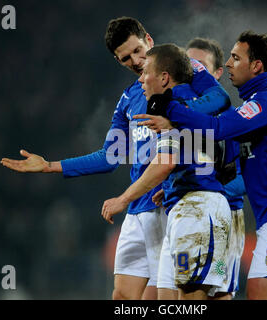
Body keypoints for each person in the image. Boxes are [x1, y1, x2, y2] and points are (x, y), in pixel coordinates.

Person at [0, 17, 230, 300]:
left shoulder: (185, 72)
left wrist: (178, 112)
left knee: (168, 298)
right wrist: (51, 166)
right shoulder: (129, 98)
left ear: (148, 39)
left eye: (137, 50)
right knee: (122, 297)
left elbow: (220, 98)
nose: (135, 60)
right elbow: (110, 156)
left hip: (169, 201)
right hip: (136, 207)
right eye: (125, 58)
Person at [134, 31, 267, 300]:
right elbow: (225, 154)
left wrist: (169, 111)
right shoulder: (253, 105)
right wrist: (189, 180)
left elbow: (217, 128)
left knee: (256, 291)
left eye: (236, 58)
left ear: (256, 66)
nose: (230, 64)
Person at [102, 43, 232, 300]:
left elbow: (164, 163)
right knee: (170, 298)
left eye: (146, 71)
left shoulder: (170, 106)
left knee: (192, 298)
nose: (140, 78)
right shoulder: (196, 104)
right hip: (187, 204)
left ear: (164, 77)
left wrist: (123, 199)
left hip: (198, 209)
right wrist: (176, 182)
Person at [186, 37, 246, 299]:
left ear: (217, 73)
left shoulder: (235, 120)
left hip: (225, 218)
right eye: (187, 67)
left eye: (199, 66)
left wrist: (213, 194)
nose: (192, 73)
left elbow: (247, 176)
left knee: (219, 294)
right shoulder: (180, 118)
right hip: (188, 218)